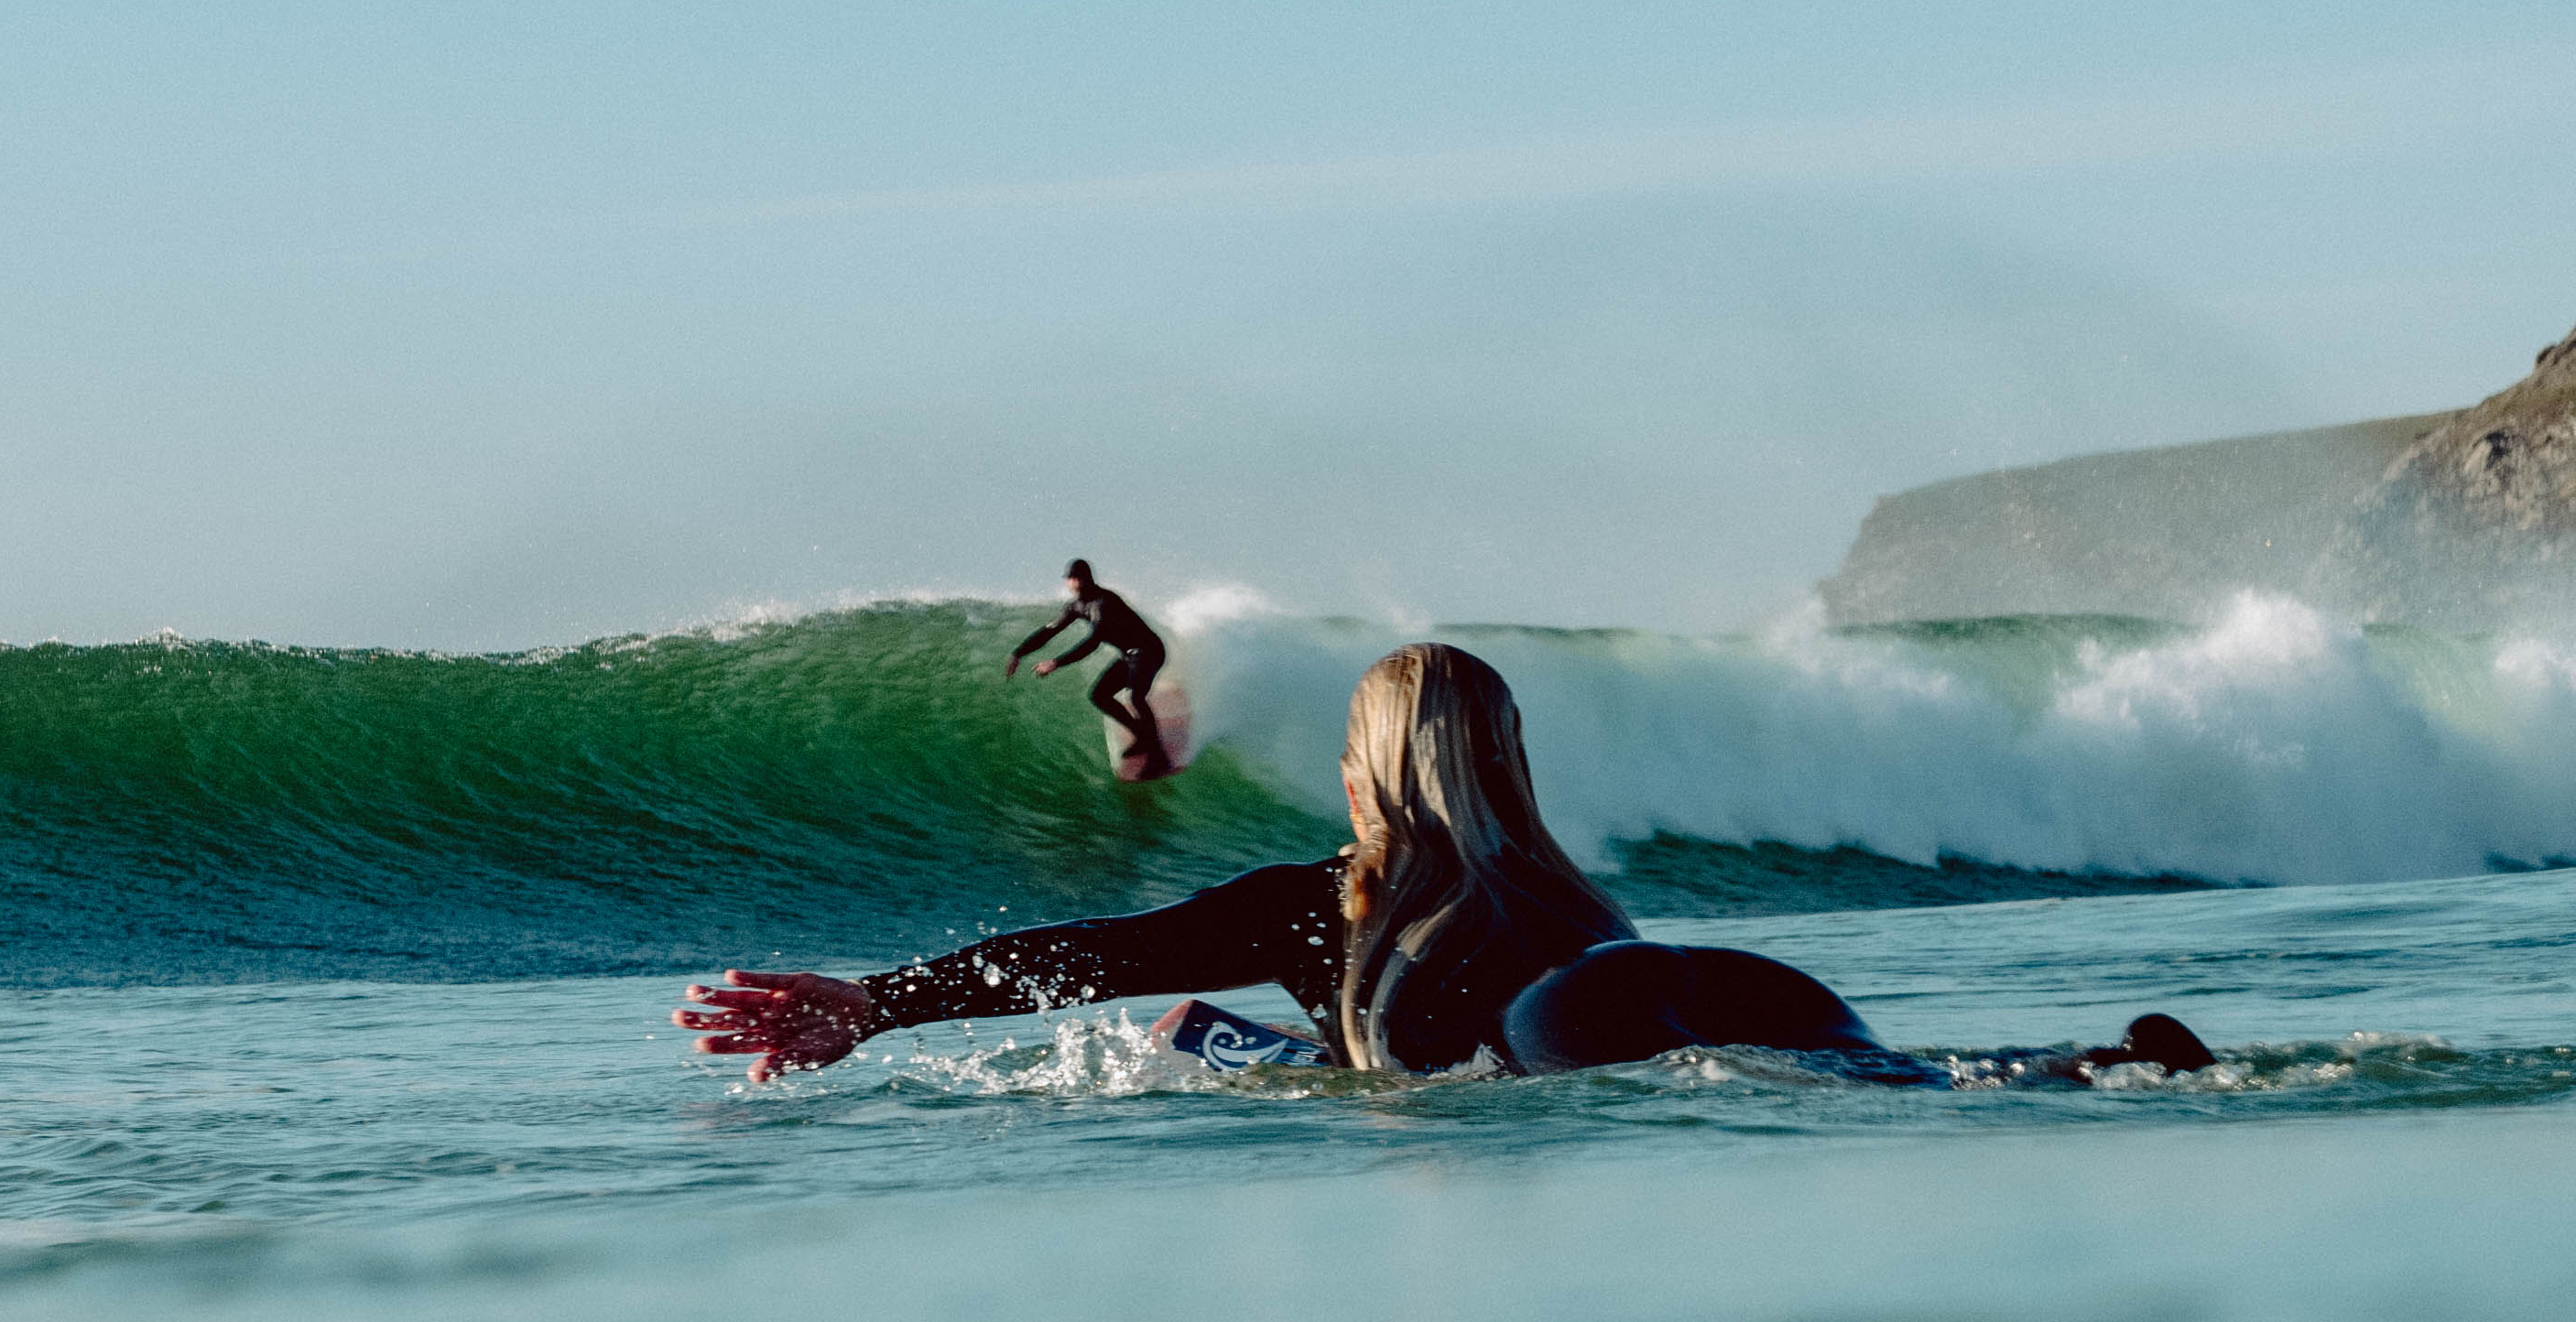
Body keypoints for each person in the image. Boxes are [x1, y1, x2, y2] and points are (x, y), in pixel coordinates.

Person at [678, 643, 2217, 1085]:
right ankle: (2101, 1054)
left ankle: (2093, 1063)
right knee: (1906, 1076)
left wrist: (873, 1002)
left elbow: (1091, 949)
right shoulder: (1571, 885)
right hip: (1680, 983)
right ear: (1508, 755)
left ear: (1366, 761)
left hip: (1557, 1035)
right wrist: (1223, 1035)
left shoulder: (1325, 894)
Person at [1005, 559, 1169, 776]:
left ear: (1084, 579)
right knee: (1099, 695)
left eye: (1075, 578)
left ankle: (1158, 757)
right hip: (1129, 655)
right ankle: (1142, 736)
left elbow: (1092, 643)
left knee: (1136, 697)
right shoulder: (1077, 606)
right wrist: (1019, 653)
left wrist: (1055, 663)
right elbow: (1049, 631)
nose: (1071, 582)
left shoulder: (1104, 602)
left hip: (1149, 651)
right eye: (1070, 578)